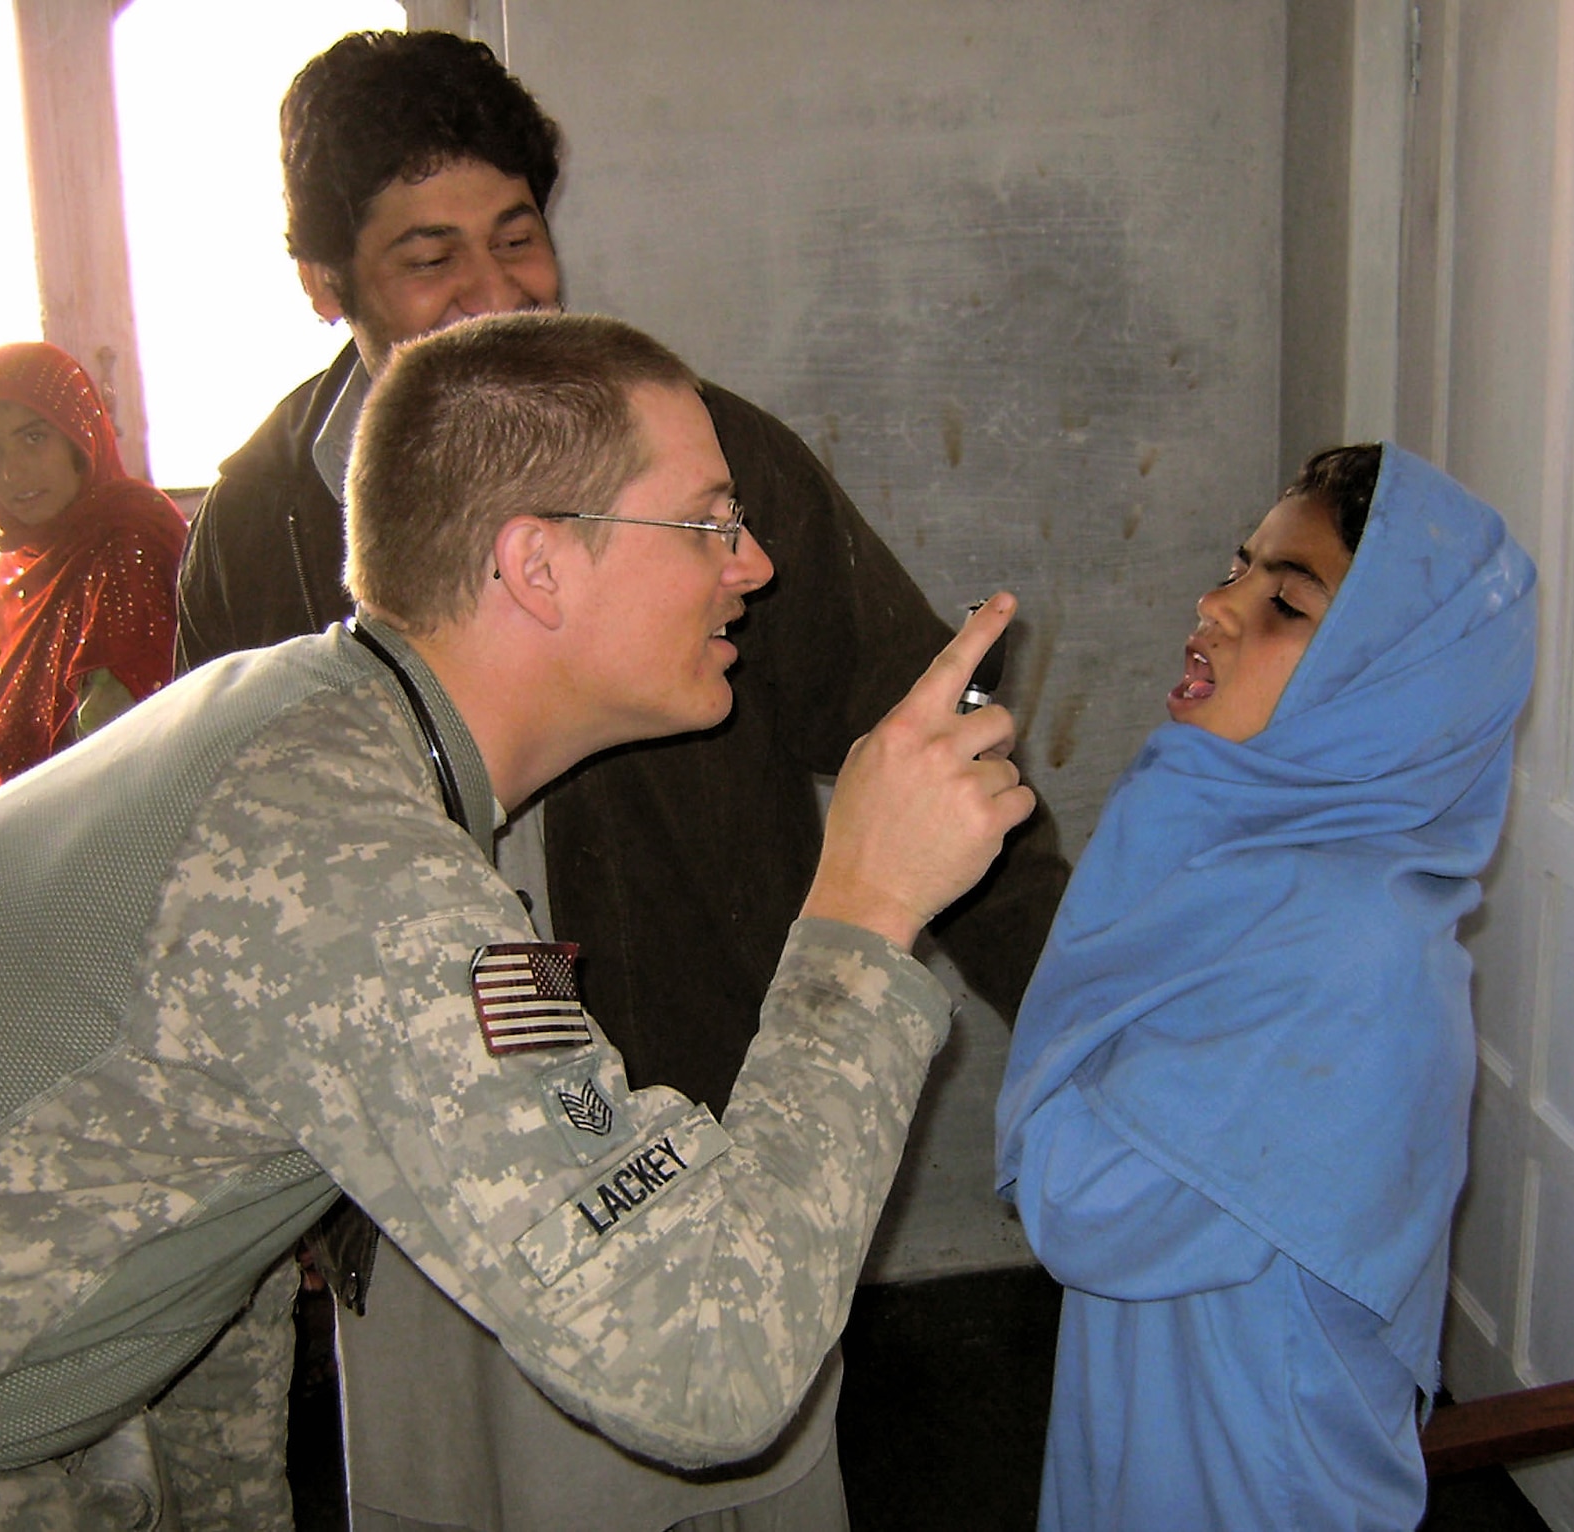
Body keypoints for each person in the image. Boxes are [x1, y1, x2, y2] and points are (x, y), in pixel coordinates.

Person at [0, 313, 1035, 1532]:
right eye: (710, 521)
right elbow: (715, 1368)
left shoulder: (308, 726)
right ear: (538, 565)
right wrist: (863, 915)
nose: (756, 567)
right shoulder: (344, 862)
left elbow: (200, 1229)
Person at [175, 30, 1071, 1529]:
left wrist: (1101, 1020)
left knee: (723, 1432)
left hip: (700, 1110)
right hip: (420, 1180)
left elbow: (920, 731)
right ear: (326, 289)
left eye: (518, 235)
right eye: (426, 256)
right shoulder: (258, 537)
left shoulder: (703, 463)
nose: (495, 293)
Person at [995, 443, 1537, 1530]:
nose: (1215, 602)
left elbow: (1080, 1205)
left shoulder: (1346, 942)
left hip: (1245, 1467)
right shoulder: (1244, 856)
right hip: (1165, 1400)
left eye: (1283, 601)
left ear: (1387, 688)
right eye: (1235, 565)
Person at [0, 341, 186, 783]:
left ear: (78, 436)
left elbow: (117, 752)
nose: (13, 472)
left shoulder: (130, 533)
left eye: (34, 438)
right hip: (49, 826)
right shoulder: (19, 568)